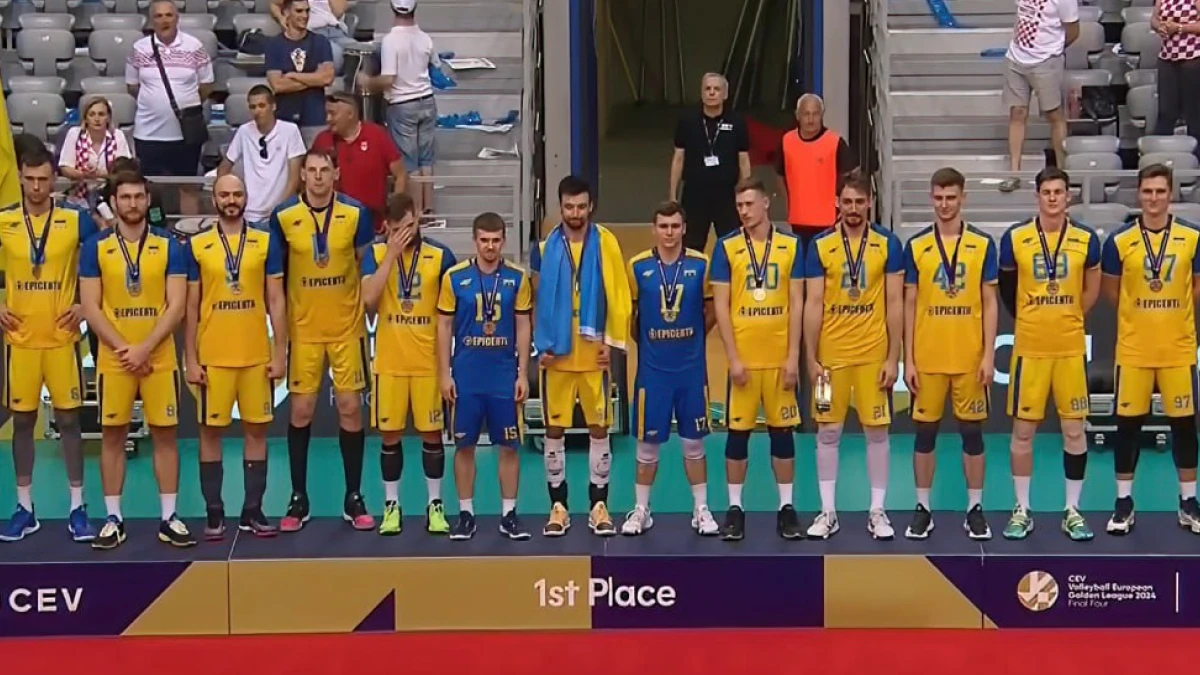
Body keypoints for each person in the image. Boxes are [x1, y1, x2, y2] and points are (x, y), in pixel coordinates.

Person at [79, 170, 194, 549]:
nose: (132, 203)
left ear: (148, 200)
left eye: (138, 197)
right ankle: (113, 518)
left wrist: (145, 347)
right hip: (115, 358)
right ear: (114, 202)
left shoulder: (169, 245)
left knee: (165, 434)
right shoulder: (95, 247)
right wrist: (125, 349)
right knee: (113, 436)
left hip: (159, 355)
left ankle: (169, 517)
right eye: (125, 197)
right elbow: (91, 307)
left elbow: (176, 306)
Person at [271, 149, 375, 532]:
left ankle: (354, 496)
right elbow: (276, 278)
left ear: (336, 173)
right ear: (302, 176)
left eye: (324, 170)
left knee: (350, 408)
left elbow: (366, 264)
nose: (317, 177)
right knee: (301, 411)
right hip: (304, 331)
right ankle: (298, 497)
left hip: (347, 328)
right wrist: (280, 339)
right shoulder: (283, 217)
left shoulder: (356, 214)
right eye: (311, 170)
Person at [997, 166, 1101, 541]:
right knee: (1023, 432)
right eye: (1047, 192)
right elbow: (1007, 289)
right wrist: (1031, 317)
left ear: (1068, 196)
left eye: (1059, 191)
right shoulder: (1015, 238)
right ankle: (1022, 509)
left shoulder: (1087, 239)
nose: (1053, 198)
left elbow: (1091, 290)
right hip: (1030, 349)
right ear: (1037, 196)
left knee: (1074, 431)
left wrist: (1069, 316)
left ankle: (1072, 510)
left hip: (1070, 349)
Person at [0, 148, 97, 543]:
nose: (37, 187)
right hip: (20, 339)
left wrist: (84, 304)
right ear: (21, 178)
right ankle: (24, 508)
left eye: (44, 179)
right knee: (22, 422)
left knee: (70, 421)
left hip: (62, 338)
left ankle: (77, 507)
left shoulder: (75, 219)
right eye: (30, 179)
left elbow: (103, 260)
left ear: (54, 179)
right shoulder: (4, 220)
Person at [185, 175, 288, 539]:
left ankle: (252, 511)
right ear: (214, 200)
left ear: (246, 198)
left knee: (256, 432)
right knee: (210, 432)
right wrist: (191, 357)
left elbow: (276, 300)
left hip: (256, 355)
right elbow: (191, 306)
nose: (231, 200)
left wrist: (280, 351)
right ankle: (214, 513)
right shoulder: (197, 245)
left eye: (237, 194)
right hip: (213, 356)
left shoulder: (266, 241)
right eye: (225, 194)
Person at [1100, 163, 1200, 534]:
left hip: (1178, 350)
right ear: (1138, 194)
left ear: (1170, 194)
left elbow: (1195, 287)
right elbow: (1112, 291)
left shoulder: (1192, 237)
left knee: (1184, 427)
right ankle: (1123, 503)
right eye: (1147, 191)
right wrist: (1140, 316)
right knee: (1127, 428)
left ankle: (1188, 502)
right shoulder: (1119, 241)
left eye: (1160, 191)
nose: (1154, 198)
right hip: (1134, 350)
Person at [803, 172, 904, 540]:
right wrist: (811, 357)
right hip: (831, 359)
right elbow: (813, 303)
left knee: (877, 432)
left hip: (872, 356)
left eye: (860, 202)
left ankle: (877, 511)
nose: (853, 208)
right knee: (827, 432)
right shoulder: (820, 245)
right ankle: (828, 512)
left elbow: (895, 303)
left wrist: (893, 358)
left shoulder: (888, 243)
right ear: (837, 203)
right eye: (847, 202)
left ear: (870, 204)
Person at [530, 175, 631, 537]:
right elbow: (535, 300)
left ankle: (598, 506)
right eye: (569, 207)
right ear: (560, 208)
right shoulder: (544, 248)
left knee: (599, 428)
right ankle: (558, 506)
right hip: (556, 354)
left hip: (593, 353)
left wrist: (611, 343)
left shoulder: (606, 242)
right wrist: (540, 345)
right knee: (554, 429)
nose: (575, 213)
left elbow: (619, 292)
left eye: (581, 207)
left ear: (591, 207)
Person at [901, 168, 998, 541]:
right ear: (931, 198)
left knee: (972, 435)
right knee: (924, 436)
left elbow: (990, 303)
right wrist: (909, 359)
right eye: (939, 197)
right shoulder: (917, 246)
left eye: (951, 197)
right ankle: (922, 508)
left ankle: (975, 508)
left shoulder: (983, 244)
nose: (944, 204)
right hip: (928, 359)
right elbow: (910, 304)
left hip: (969, 359)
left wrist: (988, 355)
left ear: (963, 198)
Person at [711, 179, 805, 541]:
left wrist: (793, 356)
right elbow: (721, 306)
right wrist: (732, 357)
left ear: (767, 203)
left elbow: (797, 302)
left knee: (783, 435)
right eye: (739, 205)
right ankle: (735, 508)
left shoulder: (791, 245)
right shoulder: (726, 247)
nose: (744, 211)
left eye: (749, 204)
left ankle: (786, 507)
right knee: (738, 436)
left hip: (780, 360)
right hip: (744, 362)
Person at [360, 193, 456, 536]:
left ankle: (435, 505)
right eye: (400, 227)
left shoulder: (441, 256)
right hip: (390, 363)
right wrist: (391, 255)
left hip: (428, 363)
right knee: (390, 436)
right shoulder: (374, 254)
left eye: (412, 225)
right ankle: (391, 506)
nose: (407, 232)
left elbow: (450, 314)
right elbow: (368, 300)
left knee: (432, 434)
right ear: (388, 226)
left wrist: (447, 368)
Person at [622, 202, 719, 536]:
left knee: (694, 443)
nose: (669, 232)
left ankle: (701, 509)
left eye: (675, 226)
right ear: (654, 229)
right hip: (653, 372)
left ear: (684, 228)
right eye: (663, 226)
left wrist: (693, 338)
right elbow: (632, 318)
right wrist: (651, 342)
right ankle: (641, 510)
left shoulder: (701, 264)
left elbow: (711, 310)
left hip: (691, 371)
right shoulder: (637, 267)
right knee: (647, 446)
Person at [437, 212, 533, 540]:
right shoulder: (454, 277)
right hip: (466, 376)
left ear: (504, 241)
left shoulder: (517, 278)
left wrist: (523, 374)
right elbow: (443, 326)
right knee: (464, 446)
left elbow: (523, 325)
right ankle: (466, 514)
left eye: (495, 240)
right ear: (474, 241)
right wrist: (445, 373)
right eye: (484, 240)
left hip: (503, 377)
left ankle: (509, 514)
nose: (490, 246)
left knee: (509, 446)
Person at [124, 0, 213, 212]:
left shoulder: (194, 46)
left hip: (186, 134)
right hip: (149, 133)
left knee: (188, 186)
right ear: (151, 21)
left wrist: (186, 104)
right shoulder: (139, 49)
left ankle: (188, 228)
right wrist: (156, 103)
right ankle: (152, 227)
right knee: (149, 189)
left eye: (169, 15)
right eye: (159, 16)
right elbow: (132, 86)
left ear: (177, 18)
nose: (164, 20)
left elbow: (207, 85)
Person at [1000, 0, 1079, 193]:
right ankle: (1014, 173)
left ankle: (1061, 173)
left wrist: (1053, 49)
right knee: (1017, 113)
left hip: (1046, 60)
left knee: (1054, 115)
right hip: (1016, 57)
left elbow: (1073, 31)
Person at [669, 73, 751, 254]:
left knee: (733, 245)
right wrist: (673, 195)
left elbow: (744, 160)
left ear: (725, 94)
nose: (712, 93)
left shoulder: (737, 122)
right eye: (707, 89)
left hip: (727, 195)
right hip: (695, 194)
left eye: (716, 89)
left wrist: (745, 193)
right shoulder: (687, 121)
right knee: (691, 246)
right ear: (701, 92)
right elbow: (678, 158)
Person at [311, 92, 407, 230]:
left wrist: (394, 216)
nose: (328, 119)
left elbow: (401, 175)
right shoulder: (322, 141)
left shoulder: (377, 135)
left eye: (333, 114)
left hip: (373, 226)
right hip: (333, 227)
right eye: (327, 113)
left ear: (350, 114)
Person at [217, 85, 306, 228]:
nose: (257, 111)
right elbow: (224, 166)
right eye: (253, 107)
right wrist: (225, 199)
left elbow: (294, 178)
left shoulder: (290, 131)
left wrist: (279, 210)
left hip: (279, 215)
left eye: (262, 106)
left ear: (273, 106)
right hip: (247, 215)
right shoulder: (244, 131)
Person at [775, 94, 856, 250]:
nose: (810, 119)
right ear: (797, 115)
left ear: (822, 115)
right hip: (798, 220)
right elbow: (780, 174)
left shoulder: (835, 142)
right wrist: (788, 204)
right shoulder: (787, 141)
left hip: (830, 221)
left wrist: (843, 206)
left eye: (815, 114)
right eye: (806, 114)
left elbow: (851, 177)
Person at [266, 0, 336, 144]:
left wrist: (293, 76)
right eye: (299, 11)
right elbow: (278, 85)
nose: (305, 15)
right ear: (286, 13)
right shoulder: (274, 45)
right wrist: (315, 78)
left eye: (307, 11)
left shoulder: (320, 42)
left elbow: (327, 78)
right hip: (285, 118)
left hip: (316, 118)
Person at [58, 96, 133, 209]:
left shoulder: (118, 136)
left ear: (108, 118)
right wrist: (83, 175)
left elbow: (125, 170)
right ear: (85, 118)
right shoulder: (74, 134)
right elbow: (64, 168)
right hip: (79, 196)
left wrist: (100, 174)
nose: (97, 119)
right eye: (92, 114)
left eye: (101, 114)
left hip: (109, 196)